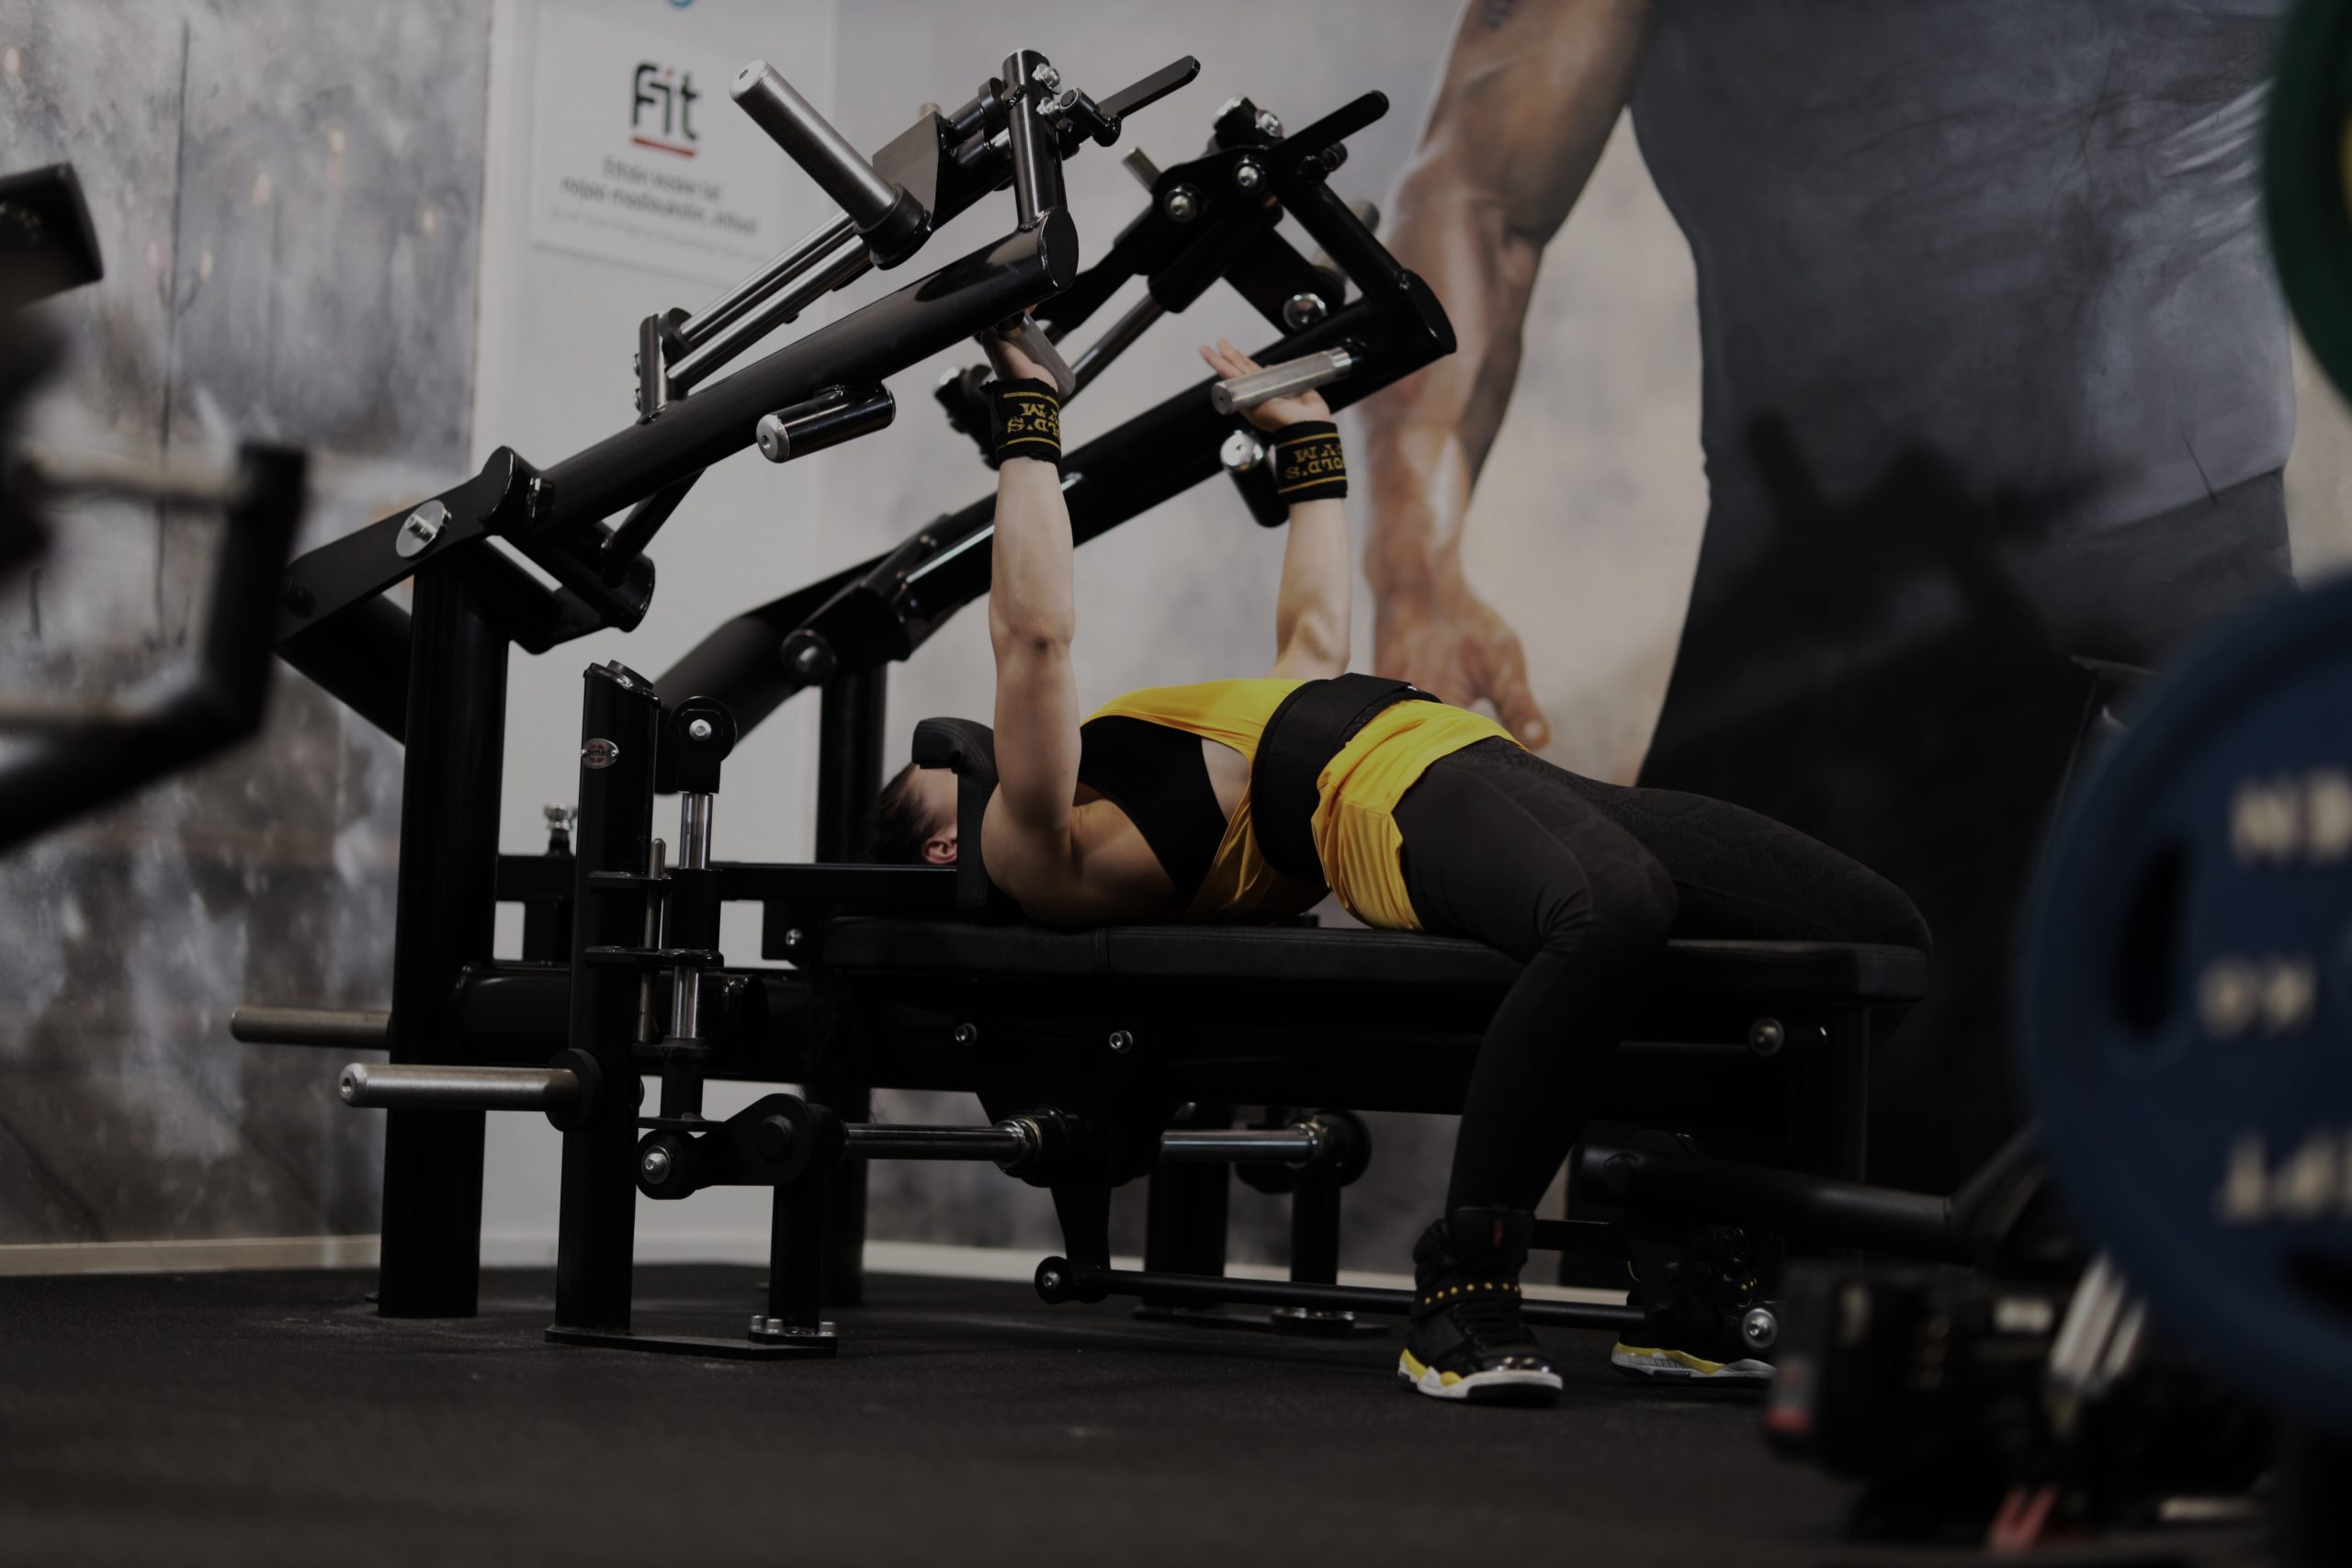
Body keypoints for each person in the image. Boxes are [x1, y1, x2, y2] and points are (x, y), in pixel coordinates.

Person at [872, 324, 1928, 1404]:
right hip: (1372, 801)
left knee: (1874, 931)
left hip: (1470, 757)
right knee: (1610, 906)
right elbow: (1034, 638)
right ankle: (1464, 1286)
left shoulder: (1118, 768)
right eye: (937, 771)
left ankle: (1695, 1276)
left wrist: (1310, 450)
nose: (967, 746)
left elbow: (1311, 650)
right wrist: (1030, 424)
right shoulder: (1034, 847)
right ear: (945, 845)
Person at [1360, 0, 2294, 1190]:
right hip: (1823, 649)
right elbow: (1480, 192)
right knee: (1721, 1227)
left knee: (2214, 1211)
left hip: (2195, 627)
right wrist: (1414, 568)